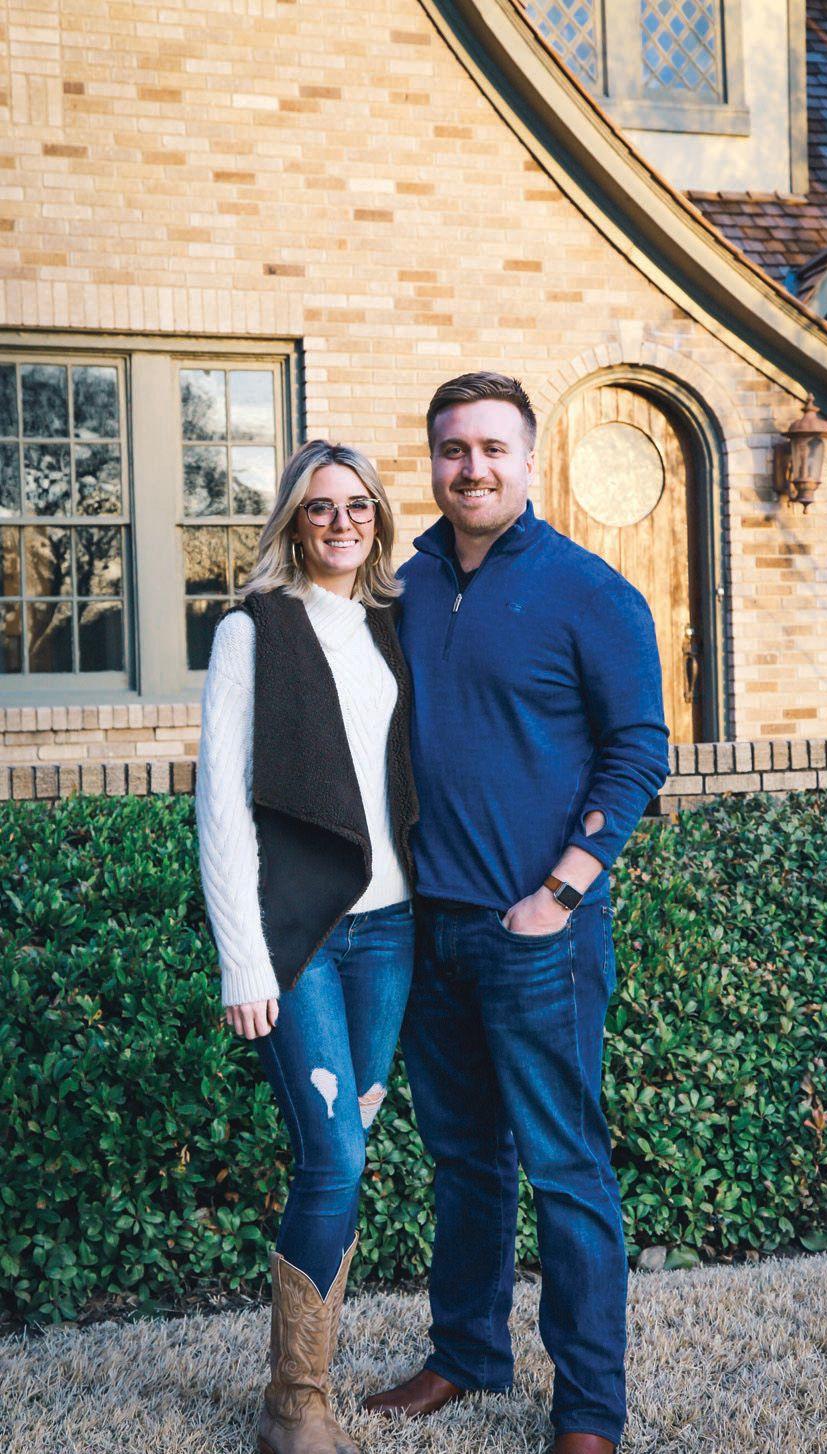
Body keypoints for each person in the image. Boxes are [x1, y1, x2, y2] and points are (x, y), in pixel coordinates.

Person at [363, 373, 669, 1454]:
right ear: (433, 462)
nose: (472, 468)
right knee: (464, 1159)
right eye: (453, 449)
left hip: (541, 932)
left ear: (529, 462)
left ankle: (587, 1411)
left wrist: (561, 890)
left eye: (493, 448)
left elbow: (640, 749)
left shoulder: (590, 590)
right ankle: (465, 1352)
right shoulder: (401, 588)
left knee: (564, 1168)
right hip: (428, 928)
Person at [196, 438, 418, 1454]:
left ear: (378, 519)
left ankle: (306, 1377)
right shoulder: (253, 629)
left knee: (348, 1150)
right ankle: (296, 1400)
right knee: (333, 1154)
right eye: (321, 506)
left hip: (393, 931)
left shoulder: (391, 626)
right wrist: (242, 958)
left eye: (358, 506)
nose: (341, 523)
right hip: (303, 937)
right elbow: (220, 803)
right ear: (291, 519)